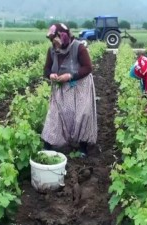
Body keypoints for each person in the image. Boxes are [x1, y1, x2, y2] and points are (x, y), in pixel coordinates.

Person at [41, 23, 97, 158]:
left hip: (79, 85)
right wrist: (51, 75)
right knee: (55, 114)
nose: (54, 44)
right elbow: (46, 69)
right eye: (52, 41)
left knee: (82, 114)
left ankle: (83, 147)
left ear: (63, 36)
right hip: (61, 86)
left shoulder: (79, 47)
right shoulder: (52, 51)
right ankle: (47, 146)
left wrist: (71, 76)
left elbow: (88, 68)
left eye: (56, 40)